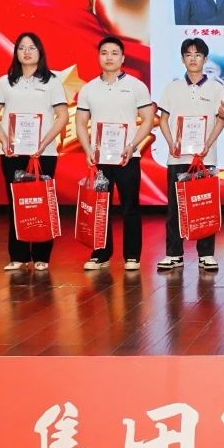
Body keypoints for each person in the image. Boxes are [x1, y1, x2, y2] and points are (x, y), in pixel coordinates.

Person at [0, 32, 70, 272]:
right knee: (16, 203)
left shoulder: (51, 81)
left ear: (40, 52)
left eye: (32, 47)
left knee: (42, 202)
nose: (27, 52)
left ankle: (42, 255)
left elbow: (62, 116)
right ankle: (18, 256)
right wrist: (5, 140)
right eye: (22, 47)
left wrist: (44, 143)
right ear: (16, 53)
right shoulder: (5, 82)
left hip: (44, 152)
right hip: (12, 152)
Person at [74, 36, 156, 271]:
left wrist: (133, 145)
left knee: (130, 206)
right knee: (101, 205)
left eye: (114, 53)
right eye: (104, 53)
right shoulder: (89, 88)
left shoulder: (136, 86)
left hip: (127, 156)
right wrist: (87, 149)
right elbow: (80, 122)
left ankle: (132, 256)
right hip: (99, 158)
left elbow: (148, 119)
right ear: (98, 57)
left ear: (122, 58)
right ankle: (101, 254)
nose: (109, 57)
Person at [156, 38, 224, 272]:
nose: (193, 59)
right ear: (182, 59)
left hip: (205, 158)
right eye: (189, 55)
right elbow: (163, 119)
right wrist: (171, 143)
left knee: (204, 206)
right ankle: (174, 254)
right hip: (178, 157)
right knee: (175, 208)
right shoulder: (172, 87)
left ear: (205, 59)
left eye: (198, 55)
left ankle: (206, 254)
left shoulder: (216, 88)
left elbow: (220, 120)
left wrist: (207, 144)